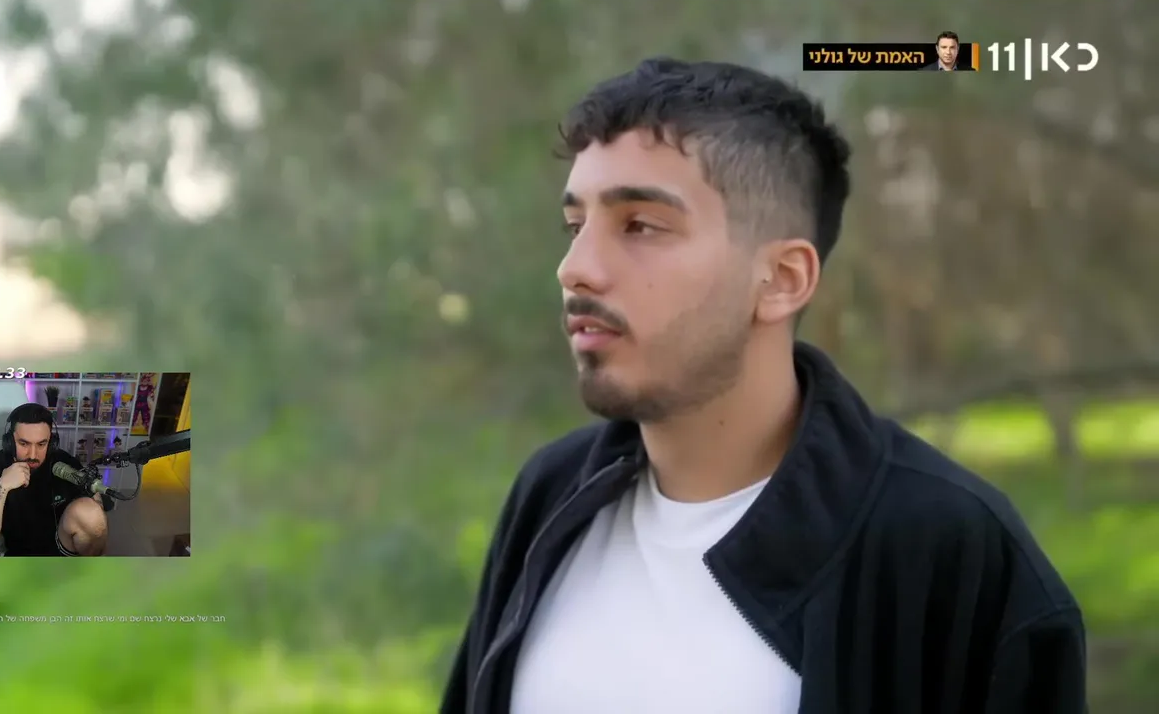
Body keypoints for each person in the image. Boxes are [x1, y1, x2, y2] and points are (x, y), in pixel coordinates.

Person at [441, 58, 1084, 714]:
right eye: (576, 227)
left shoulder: (945, 548)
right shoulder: (553, 496)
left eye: (639, 226)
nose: (575, 269)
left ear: (782, 279)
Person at [0, 403, 109, 556]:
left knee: (92, 515)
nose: (32, 455)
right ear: (9, 442)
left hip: (61, 546)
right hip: (18, 555)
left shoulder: (64, 463)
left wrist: (93, 495)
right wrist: (3, 485)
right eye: (24, 443)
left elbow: (95, 515)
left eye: (41, 444)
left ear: (52, 443)